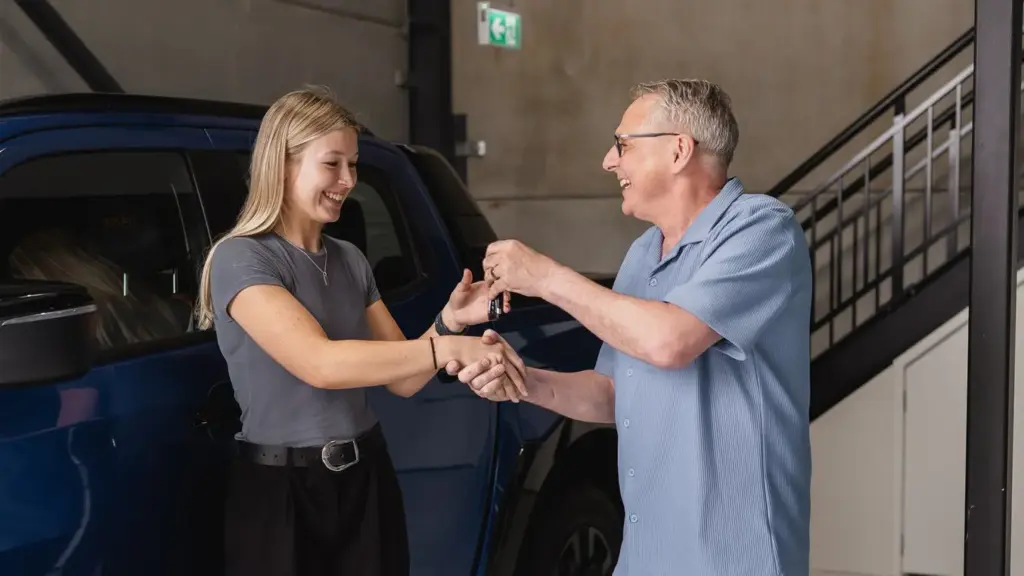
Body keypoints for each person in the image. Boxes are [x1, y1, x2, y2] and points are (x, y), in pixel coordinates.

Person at [459, 79, 813, 575]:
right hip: (646, 552)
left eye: (622, 145)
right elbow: (612, 393)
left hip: (733, 554)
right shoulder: (644, 252)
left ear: (678, 150)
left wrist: (546, 277)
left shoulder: (761, 229)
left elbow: (670, 343)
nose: (609, 161)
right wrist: (523, 382)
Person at [193, 87, 526, 576]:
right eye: (332, 164)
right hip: (281, 492)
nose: (348, 180)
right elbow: (320, 365)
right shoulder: (242, 257)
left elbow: (403, 376)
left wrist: (449, 321)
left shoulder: (348, 258)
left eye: (353, 164)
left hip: (366, 479)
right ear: (282, 165)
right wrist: (448, 347)